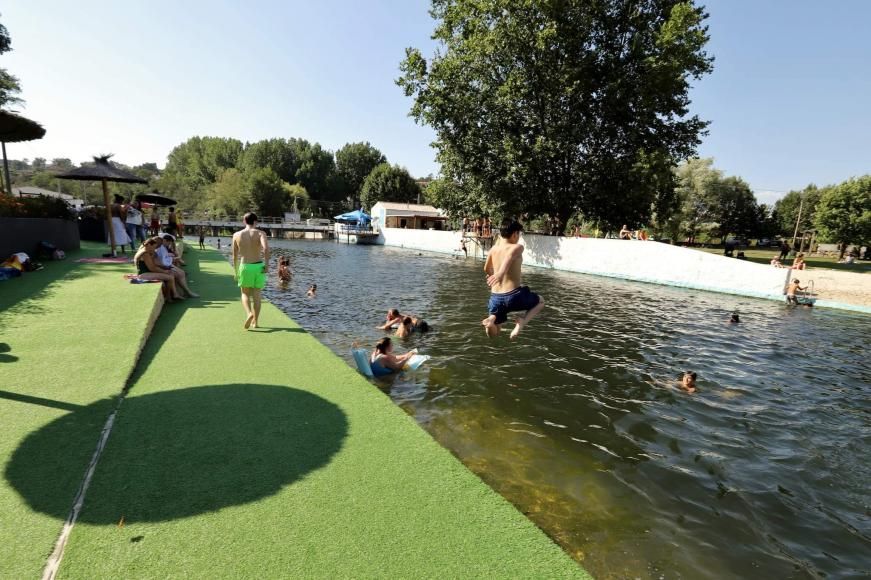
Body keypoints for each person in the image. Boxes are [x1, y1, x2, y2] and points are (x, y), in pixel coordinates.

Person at [482, 219, 544, 339]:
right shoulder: (518, 247)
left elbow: (486, 268)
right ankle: (522, 322)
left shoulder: (493, 249)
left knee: (495, 333)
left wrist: (492, 275)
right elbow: (509, 256)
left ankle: (490, 322)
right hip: (514, 296)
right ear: (515, 234)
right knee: (541, 302)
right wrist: (500, 274)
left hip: (496, 297)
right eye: (519, 234)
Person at [232, 212, 269, 329]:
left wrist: (236, 271)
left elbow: (234, 255)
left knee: (245, 293)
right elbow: (266, 249)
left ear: (244, 221)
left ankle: (249, 314)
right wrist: (267, 265)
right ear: (255, 221)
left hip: (245, 266)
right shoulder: (261, 233)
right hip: (258, 266)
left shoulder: (236, 235)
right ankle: (255, 322)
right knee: (257, 294)